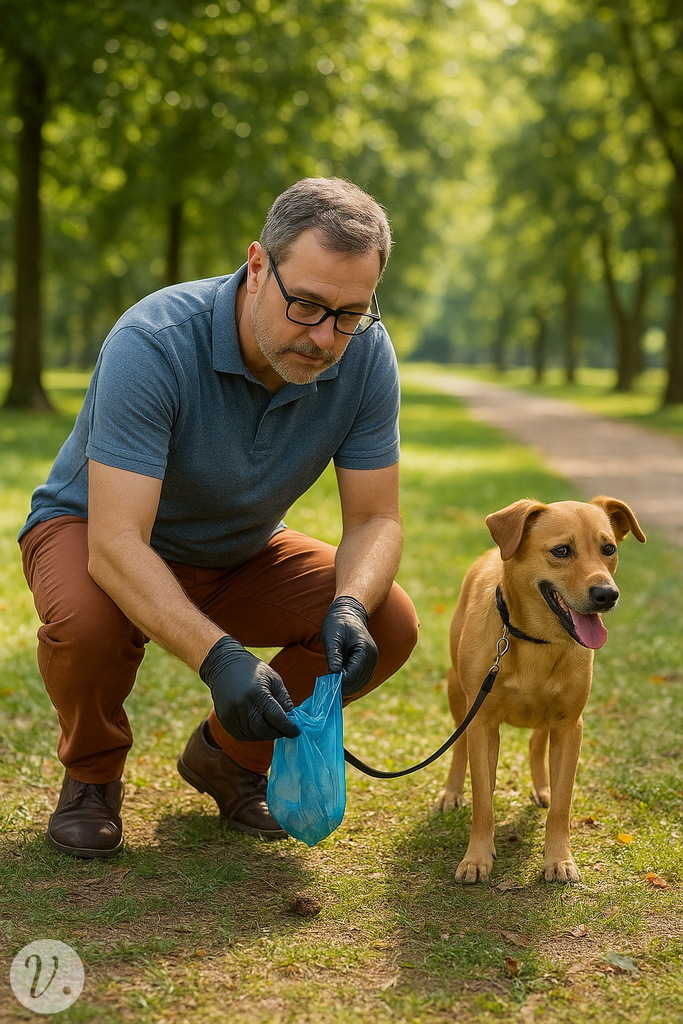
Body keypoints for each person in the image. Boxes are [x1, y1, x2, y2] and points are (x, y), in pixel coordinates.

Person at [19, 177, 419, 858]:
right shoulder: (154, 340)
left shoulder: (366, 355)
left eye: (350, 314)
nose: (324, 338)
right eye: (306, 305)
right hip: (95, 533)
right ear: (258, 265)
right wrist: (219, 657)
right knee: (87, 625)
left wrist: (350, 605)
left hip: (240, 550)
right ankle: (91, 778)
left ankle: (227, 758)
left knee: (388, 618)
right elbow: (116, 544)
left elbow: (375, 521)